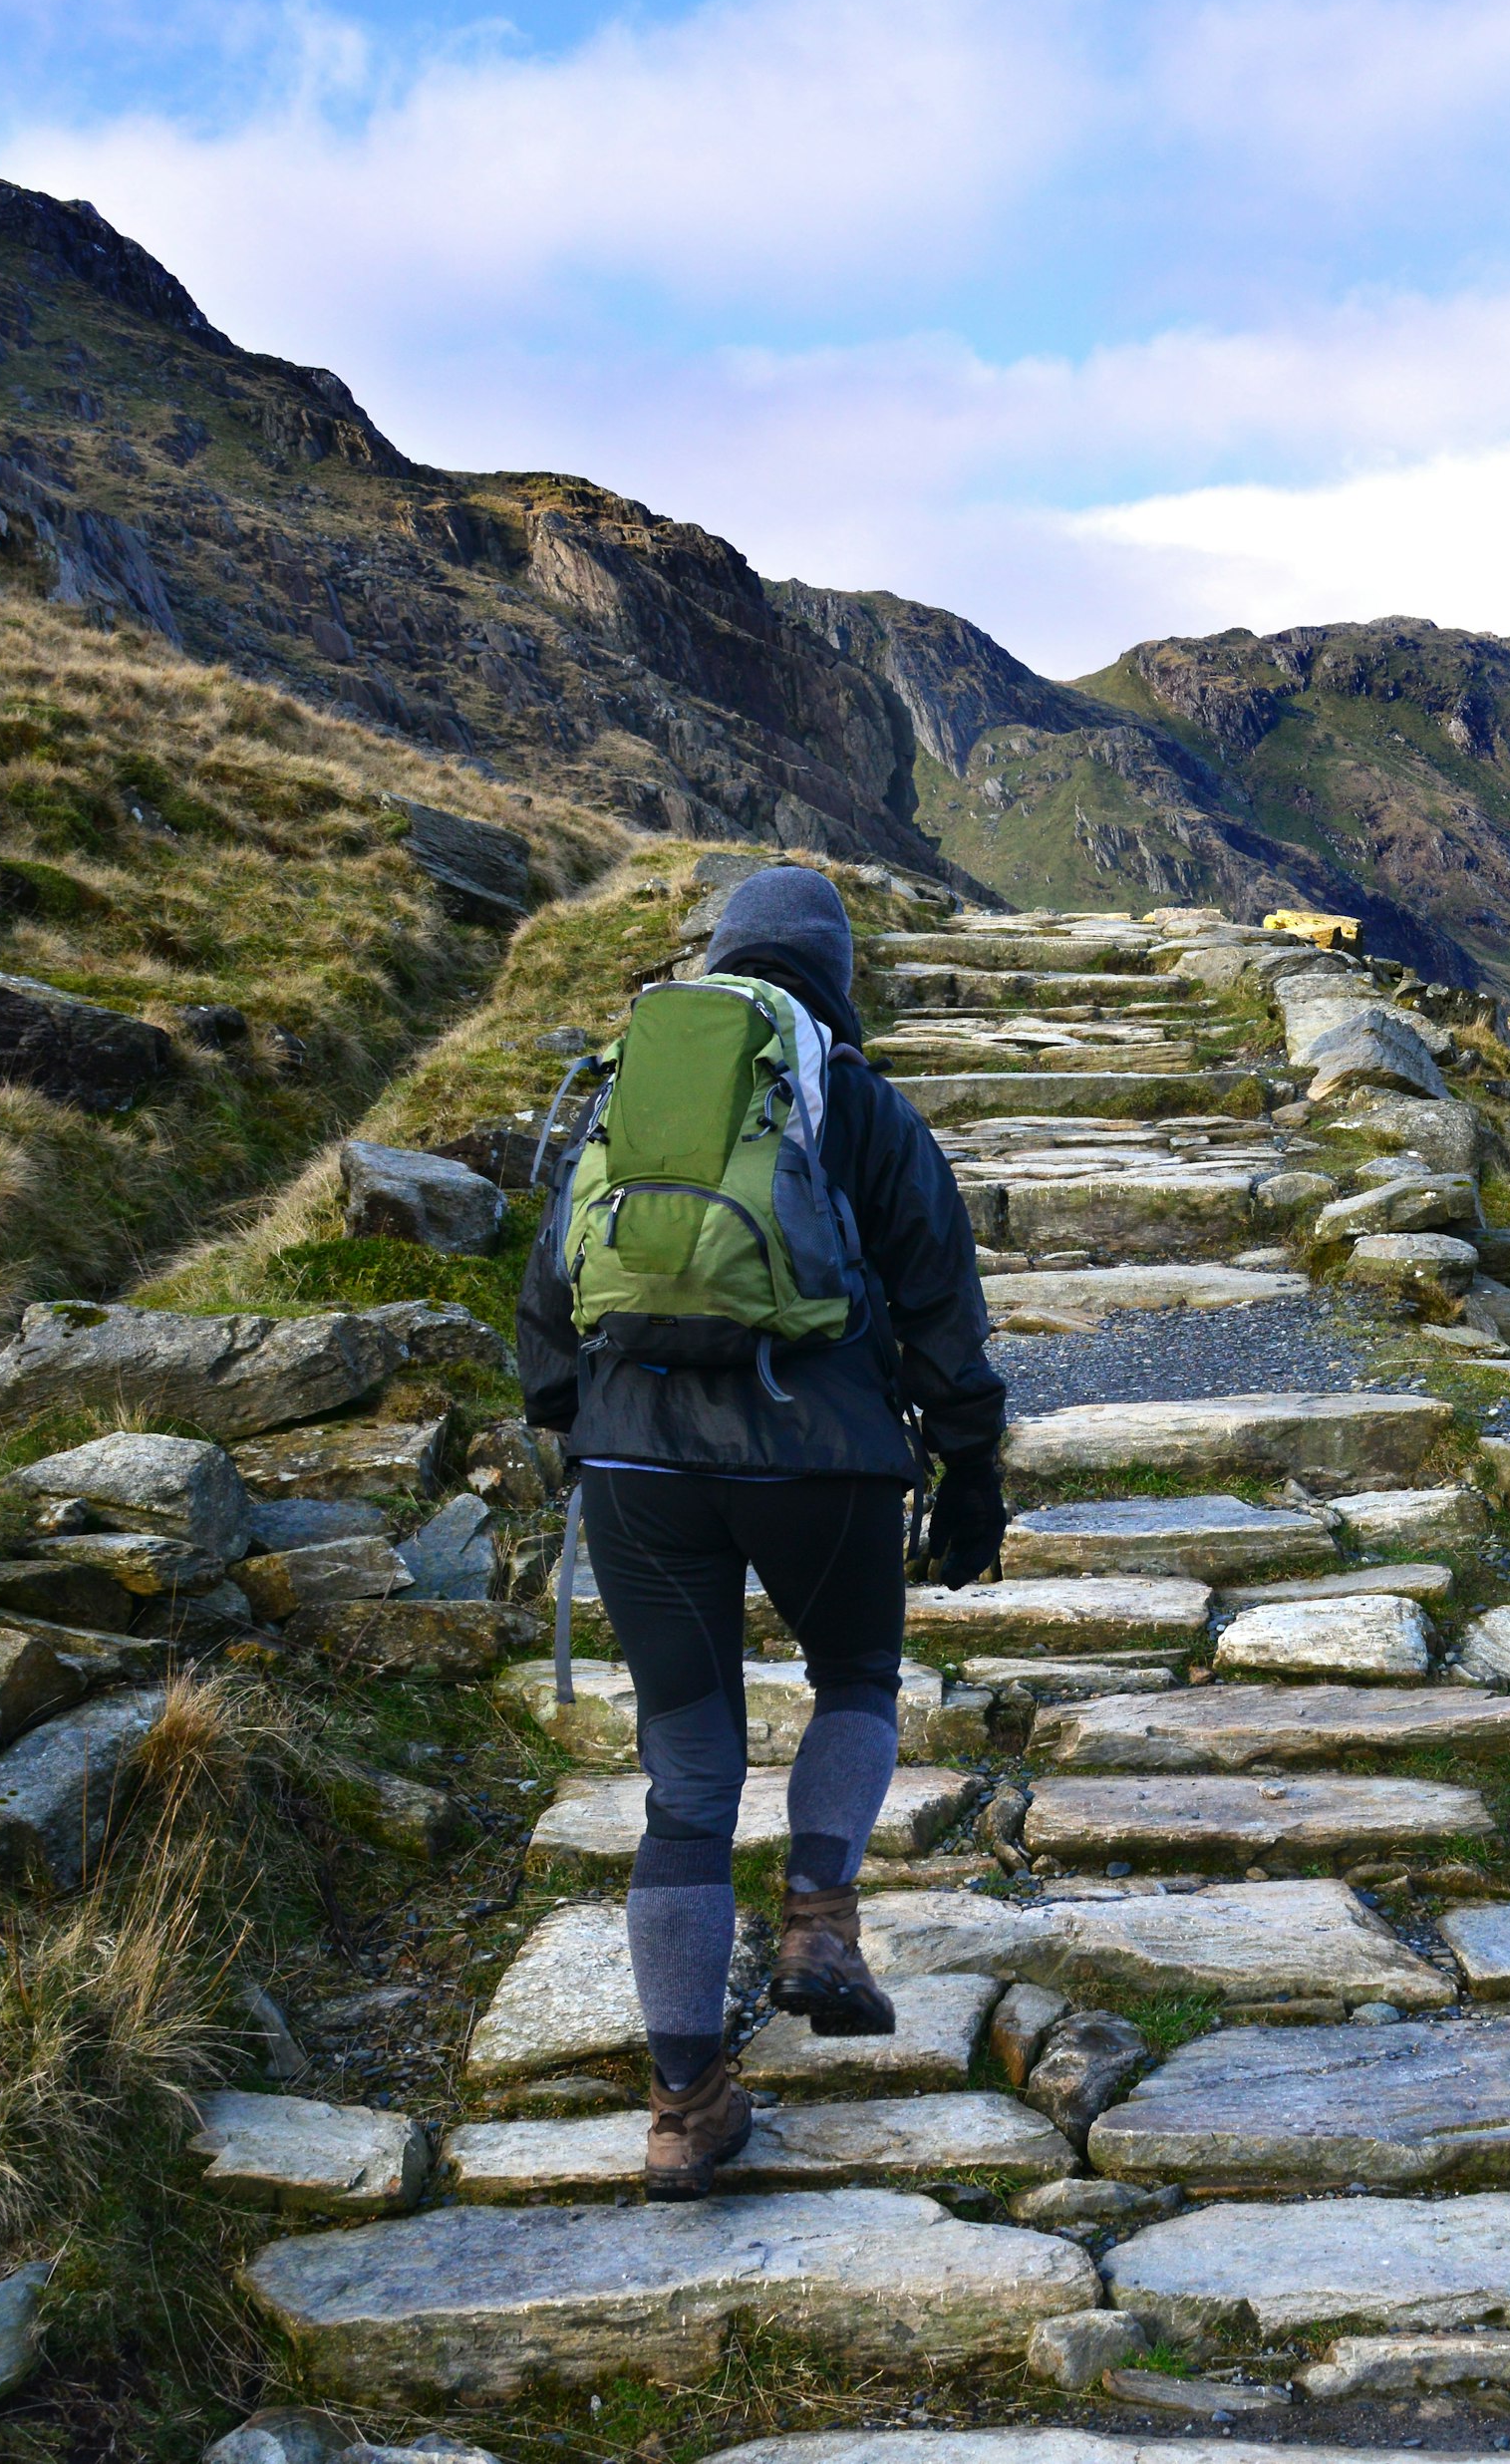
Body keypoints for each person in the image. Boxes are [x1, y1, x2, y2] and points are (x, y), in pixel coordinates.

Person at [516, 865, 1009, 2199]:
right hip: (822, 1457)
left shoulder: (635, 1086)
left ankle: (684, 2107)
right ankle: (817, 1920)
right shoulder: (854, 1100)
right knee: (853, 1679)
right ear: (834, 974)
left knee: (684, 1786)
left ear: (720, 958)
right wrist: (970, 1461)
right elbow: (939, 1297)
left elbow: (551, 1292)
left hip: (636, 1464)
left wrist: (579, 1423)